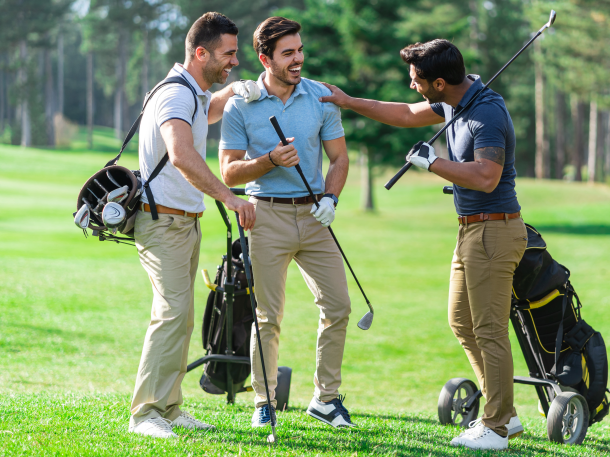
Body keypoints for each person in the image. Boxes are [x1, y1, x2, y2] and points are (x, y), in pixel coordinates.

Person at [320, 39, 528, 450]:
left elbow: (487, 176)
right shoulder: (454, 100)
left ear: (438, 81)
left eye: (416, 79)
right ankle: (503, 412)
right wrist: (347, 100)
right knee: (462, 323)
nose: (410, 85)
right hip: (470, 229)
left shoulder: (485, 111)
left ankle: (498, 426)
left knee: (488, 329)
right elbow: (403, 113)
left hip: (495, 230)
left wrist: (433, 164)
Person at [219, 16, 355, 429]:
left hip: (315, 216)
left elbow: (339, 158)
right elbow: (228, 172)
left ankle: (326, 400)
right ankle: (264, 401)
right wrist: (269, 161)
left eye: (299, 50)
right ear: (265, 58)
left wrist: (331, 197)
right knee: (268, 316)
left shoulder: (320, 97)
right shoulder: (241, 103)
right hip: (267, 215)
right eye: (288, 54)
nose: (298, 60)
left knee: (339, 306)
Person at [129, 12, 260, 439]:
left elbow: (210, 109)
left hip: (183, 223)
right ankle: (145, 413)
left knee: (182, 318)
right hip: (162, 223)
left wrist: (234, 91)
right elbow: (182, 153)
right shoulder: (176, 96)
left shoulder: (194, 91)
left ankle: (168, 407)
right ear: (200, 52)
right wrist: (228, 196)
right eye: (228, 55)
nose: (234, 61)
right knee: (170, 315)